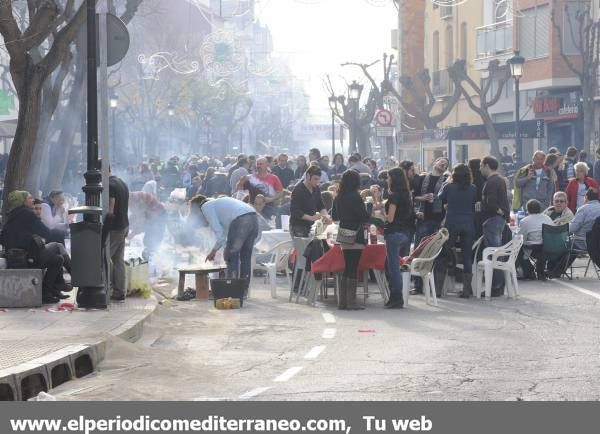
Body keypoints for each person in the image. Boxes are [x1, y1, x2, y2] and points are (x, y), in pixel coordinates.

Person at [0, 191, 70, 304]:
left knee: (58, 259)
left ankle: (46, 293)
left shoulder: (11, 216)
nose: (32, 200)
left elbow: (3, 238)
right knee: (58, 246)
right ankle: (74, 278)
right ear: (23, 201)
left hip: (14, 259)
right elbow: (46, 232)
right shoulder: (28, 214)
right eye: (29, 198)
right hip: (28, 257)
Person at [190, 196, 258, 284]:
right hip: (254, 218)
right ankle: (243, 291)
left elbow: (221, 235)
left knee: (230, 256)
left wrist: (213, 251)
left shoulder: (205, 207)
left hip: (241, 220)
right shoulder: (218, 206)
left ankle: (231, 289)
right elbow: (226, 236)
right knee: (245, 258)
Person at [332, 170, 370, 310]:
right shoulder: (356, 196)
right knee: (354, 267)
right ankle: (351, 302)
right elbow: (364, 216)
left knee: (347, 266)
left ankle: (343, 302)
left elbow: (334, 216)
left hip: (343, 232)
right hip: (356, 232)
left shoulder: (338, 196)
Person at [438, 163, 478, 298]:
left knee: (444, 253)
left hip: (452, 222)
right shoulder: (472, 188)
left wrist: (446, 182)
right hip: (468, 223)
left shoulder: (449, 187)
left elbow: (439, 197)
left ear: (454, 175)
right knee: (467, 256)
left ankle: (438, 289)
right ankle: (467, 290)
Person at [480, 156, 511, 297]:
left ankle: (496, 286)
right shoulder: (500, 180)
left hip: (493, 220)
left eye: (481, 166)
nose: (480, 169)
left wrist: (498, 211)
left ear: (486, 165)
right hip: (498, 219)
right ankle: (498, 285)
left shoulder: (492, 181)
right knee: (497, 253)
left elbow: (491, 202)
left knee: (494, 254)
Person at [384, 167, 413, 308]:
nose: (387, 179)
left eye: (388, 177)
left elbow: (390, 218)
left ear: (393, 179)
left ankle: (396, 296)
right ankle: (396, 296)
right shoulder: (406, 194)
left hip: (393, 232)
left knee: (393, 267)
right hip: (405, 233)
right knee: (394, 264)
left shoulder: (394, 195)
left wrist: (380, 217)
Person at [413, 157, 449, 247]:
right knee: (419, 247)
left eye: (445, 165)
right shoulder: (422, 178)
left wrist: (437, 198)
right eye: (441, 162)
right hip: (422, 217)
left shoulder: (446, 182)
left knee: (432, 249)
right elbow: (413, 197)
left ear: (445, 169)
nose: (443, 164)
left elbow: (447, 201)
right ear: (435, 163)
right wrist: (423, 198)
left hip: (438, 219)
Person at [106, 167, 130, 302]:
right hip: (124, 225)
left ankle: (105, 288)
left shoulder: (110, 184)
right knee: (118, 260)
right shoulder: (121, 182)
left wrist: (109, 215)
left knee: (104, 257)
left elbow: (112, 203)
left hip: (115, 227)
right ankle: (119, 291)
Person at [289, 165, 331, 238]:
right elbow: (295, 211)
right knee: (303, 248)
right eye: (315, 179)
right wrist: (312, 218)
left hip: (311, 226)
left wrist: (326, 216)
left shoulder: (316, 188)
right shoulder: (298, 190)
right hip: (298, 226)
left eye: (319, 179)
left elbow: (320, 205)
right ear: (308, 176)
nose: (317, 182)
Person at [517, 199, 553, 280]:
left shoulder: (524, 221)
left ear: (528, 210)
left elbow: (521, 237)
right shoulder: (547, 218)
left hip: (533, 247)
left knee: (517, 248)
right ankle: (540, 272)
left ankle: (529, 271)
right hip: (547, 246)